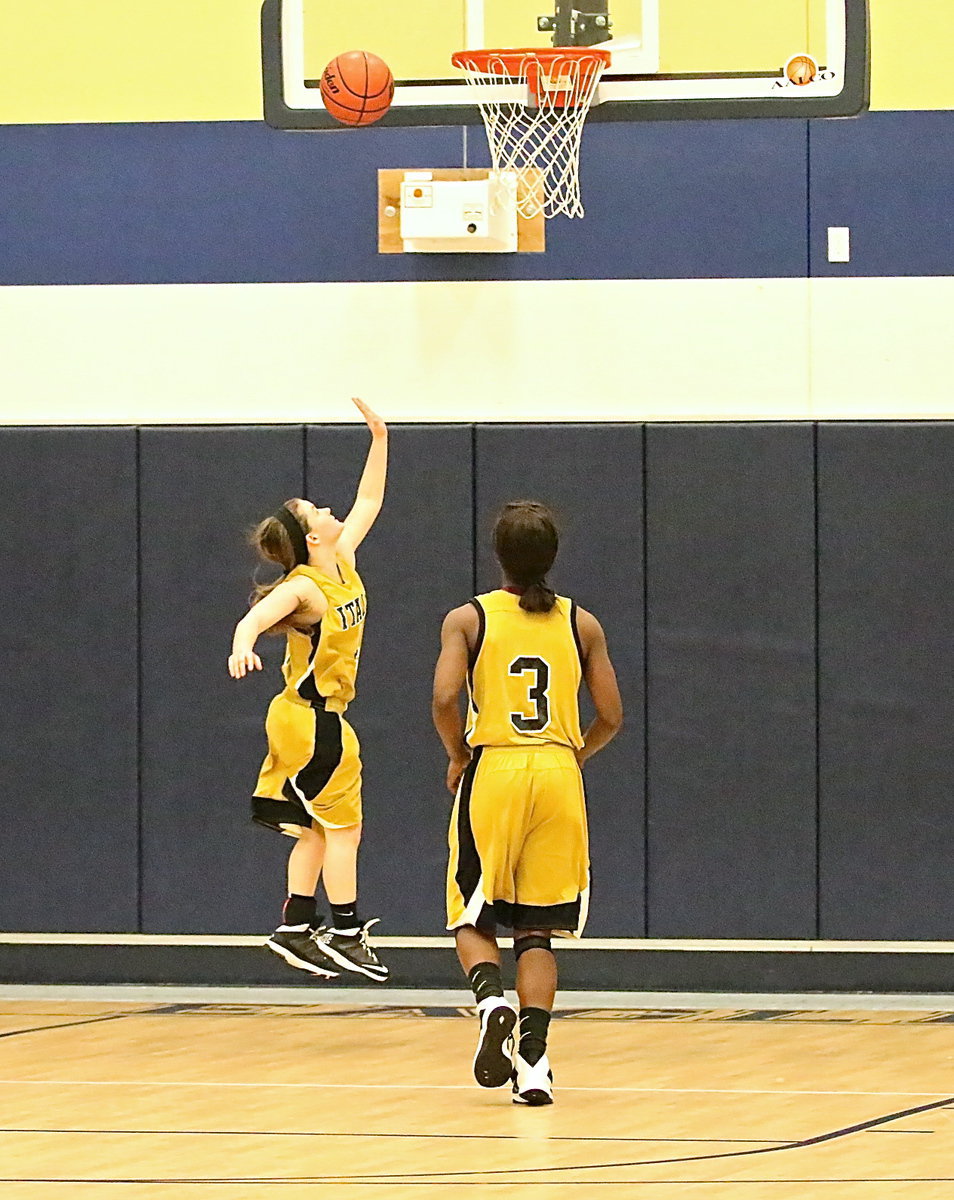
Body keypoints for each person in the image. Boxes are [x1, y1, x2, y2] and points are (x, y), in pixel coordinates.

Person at [432, 500, 623, 1106]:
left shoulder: (468, 619)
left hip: (495, 766)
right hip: (560, 771)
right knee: (537, 930)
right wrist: (574, 755)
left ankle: (491, 1004)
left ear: (498, 556)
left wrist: (458, 753)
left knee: (471, 911)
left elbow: (443, 698)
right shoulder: (581, 623)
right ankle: (535, 1065)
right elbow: (612, 717)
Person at [228, 397, 388, 983]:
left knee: (321, 827)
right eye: (316, 509)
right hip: (310, 718)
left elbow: (368, 498)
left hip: (309, 718)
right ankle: (343, 929)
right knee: (345, 828)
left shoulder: (341, 557)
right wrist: (243, 643)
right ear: (308, 535)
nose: (328, 508)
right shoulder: (304, 588)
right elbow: (256, 615)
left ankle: (295, 926)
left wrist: (380, 437)